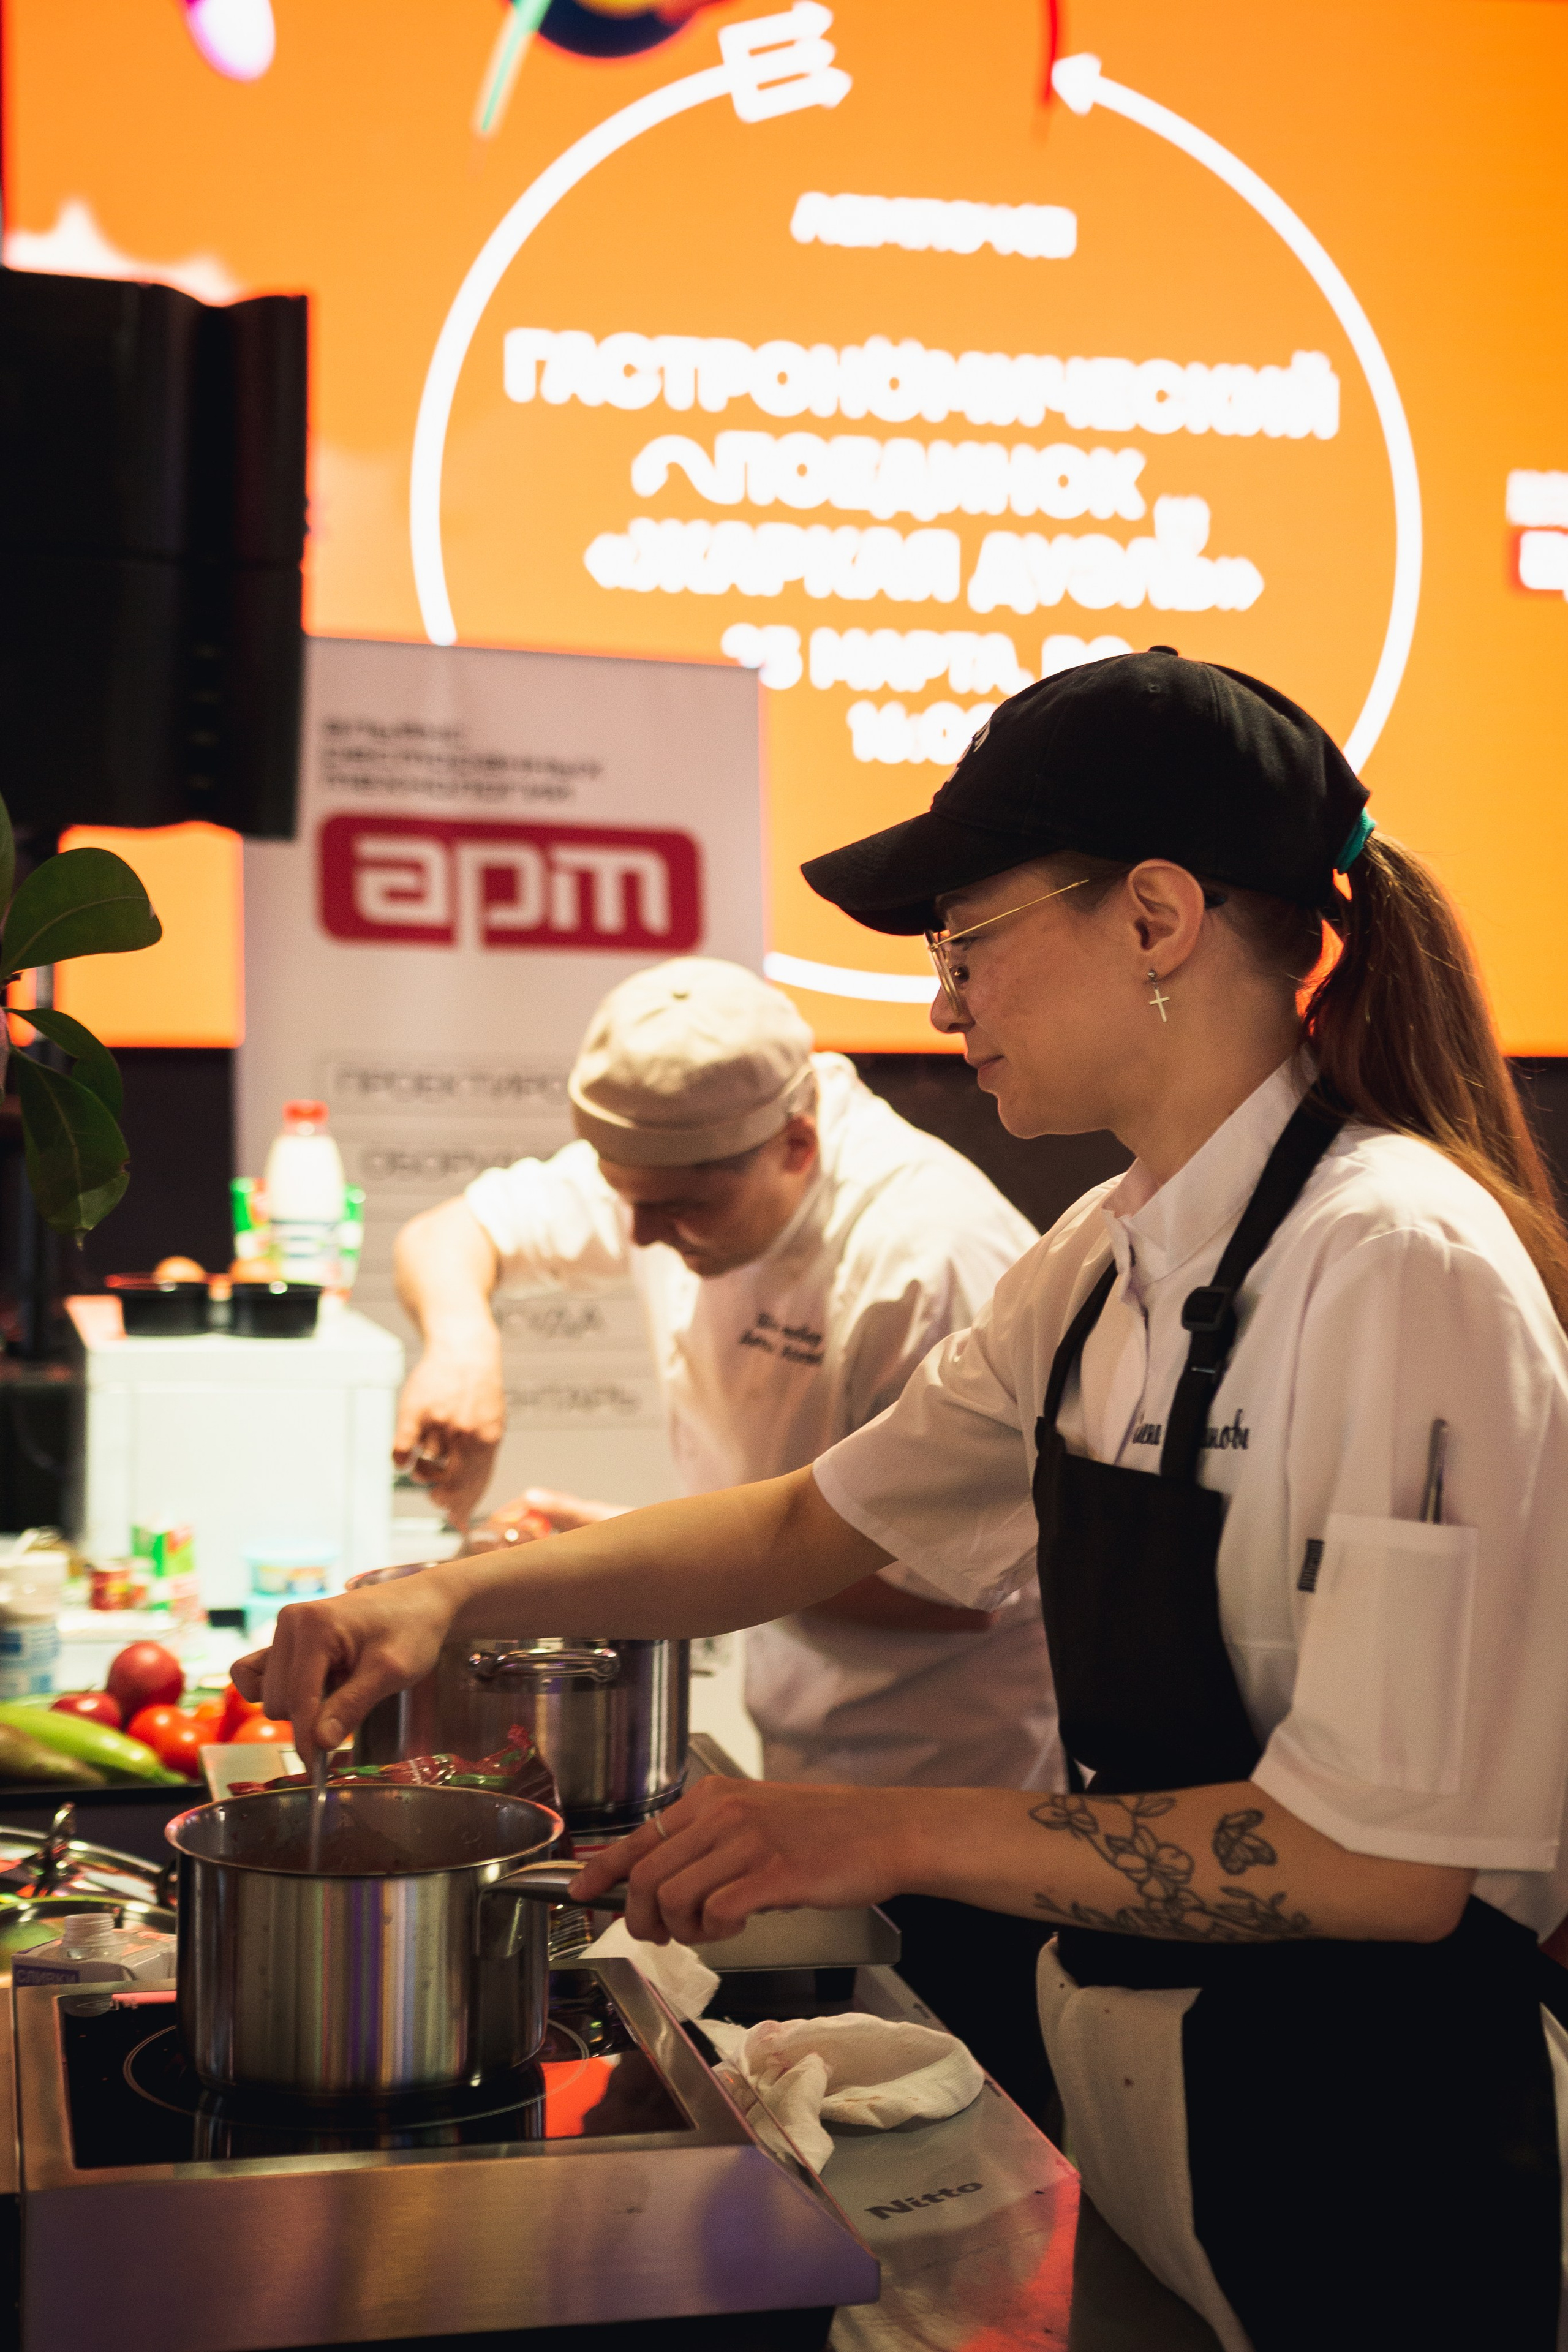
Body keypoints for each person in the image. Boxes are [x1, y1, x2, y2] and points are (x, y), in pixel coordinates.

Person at [242, 650, 1568, 2351]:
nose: (944, 1008)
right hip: (1159, 2101)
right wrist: (443, 1600)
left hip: (1375, 2152)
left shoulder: (1395, 1260)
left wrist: (877, 1828)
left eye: (966, 942)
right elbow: (809, 1525)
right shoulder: (1103, 1260)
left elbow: (1382, 1868)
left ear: (1157, 920)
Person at [389, 954, 1063, 2117]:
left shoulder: (926, 1258)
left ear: (795, 1144)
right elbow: (456, 1233)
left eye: (681, 1208)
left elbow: (960, 1584)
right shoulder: (681, 1160)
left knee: (955, 2114)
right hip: (799, 1756)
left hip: (961, 1791)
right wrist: (462, 1345)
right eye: (622, 1195)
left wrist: (653, 1563)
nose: (643, 1235)